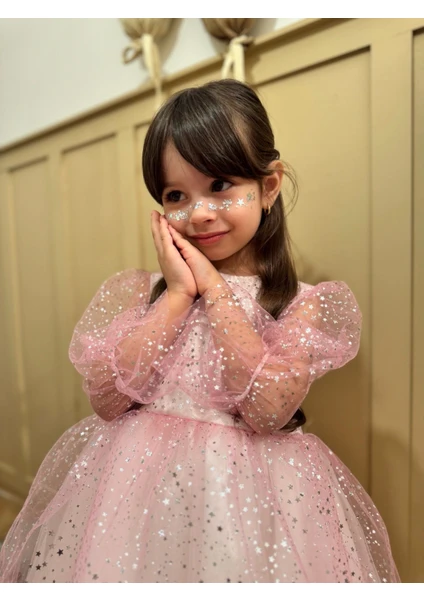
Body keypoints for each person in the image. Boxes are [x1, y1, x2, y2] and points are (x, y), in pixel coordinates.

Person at [0, 79, 400, 583]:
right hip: (135, 495)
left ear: (268, 187)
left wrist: (214, 289)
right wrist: (176, 295)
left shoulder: (301, 302)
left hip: (253, 507)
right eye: (176, 196)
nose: (200, 214)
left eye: (220, 185)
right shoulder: (140, 292)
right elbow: (107, 399)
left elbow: (267, 410)